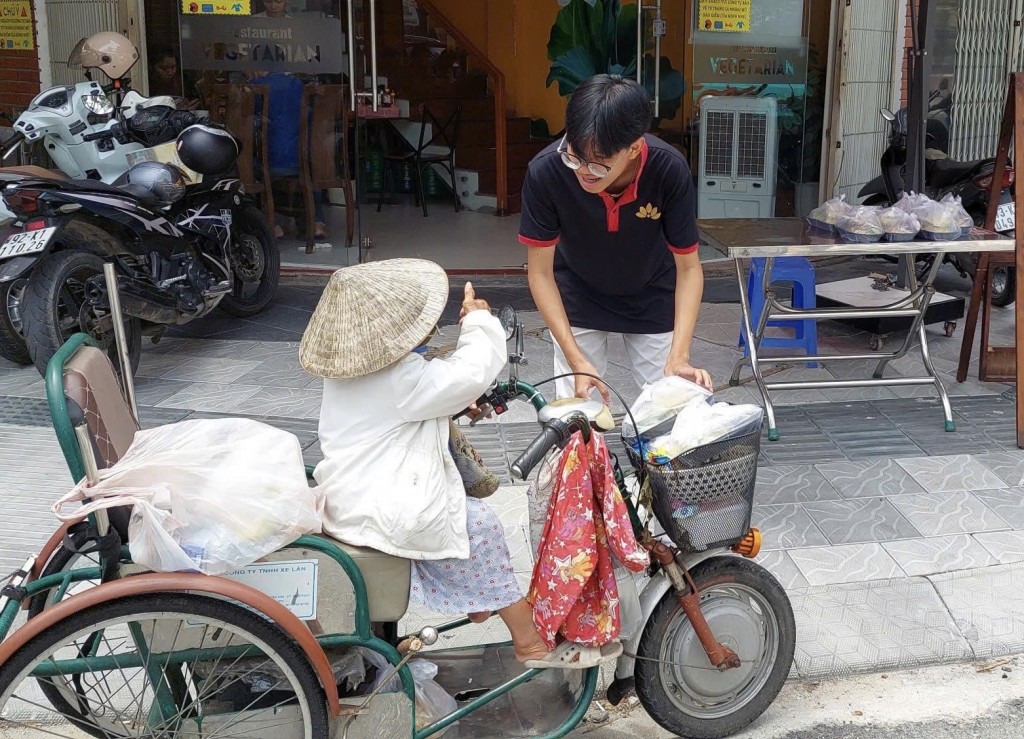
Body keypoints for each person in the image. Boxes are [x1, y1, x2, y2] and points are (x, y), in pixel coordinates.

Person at [300, 259, 615, 669]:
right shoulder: (399, 378)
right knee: (478, 525)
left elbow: (409, 402)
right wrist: (480, 323)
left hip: (357, 491)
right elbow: (469, 373)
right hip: (378, 503)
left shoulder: (356, 372)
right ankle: (529, 643)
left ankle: (479, 600)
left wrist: (450, 403)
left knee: (461, 519)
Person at [519, 73, 712, 403]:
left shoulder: (668, 169)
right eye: (574, 155)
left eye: (598, 165)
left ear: (634, 148)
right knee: (579, 411)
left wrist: (680, 356)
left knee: (668, 404)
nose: (583, 171)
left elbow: (689, 268)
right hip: (578, 292)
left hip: (652, 291)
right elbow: (540, 273)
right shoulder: (547, 171)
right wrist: (576, 361)